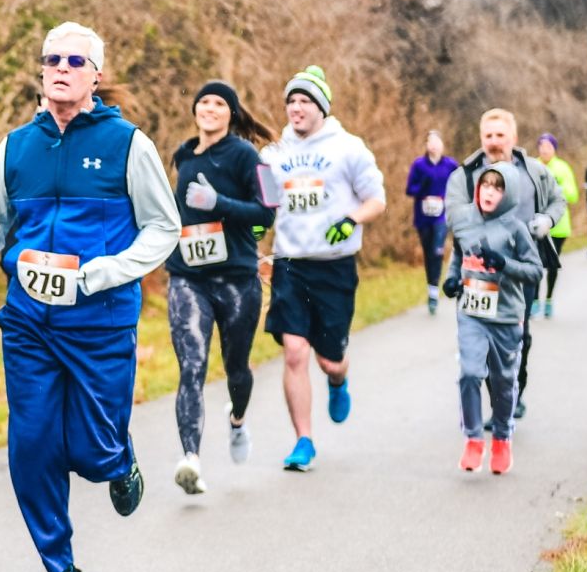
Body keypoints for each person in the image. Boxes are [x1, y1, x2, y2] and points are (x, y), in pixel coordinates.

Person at [0, 22, 179, 572]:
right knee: (32, 442)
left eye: (76, 60)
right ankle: (61, 570)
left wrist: (102, 272)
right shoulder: (16, 146)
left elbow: (163, 228)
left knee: (90, 449)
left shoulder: (130, 143)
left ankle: (118, 460)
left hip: (100, 321)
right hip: (28, 321)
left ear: (96, 75)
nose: (62, 68)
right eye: (52, 58)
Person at [260, 65, 387, 473]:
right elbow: (265, 204)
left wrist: (351, 219)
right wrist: (256, 230)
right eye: (291, 102)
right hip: (290, 264)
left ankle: (337, 378)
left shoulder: (349, 148)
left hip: (334, 268)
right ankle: (303, 440)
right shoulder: (273, 154)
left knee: (329, 359)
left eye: (304, 101)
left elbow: (377, 200)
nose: (295, 109)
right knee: (295, 352)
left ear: (321, 107)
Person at [166, 80, 277, 489]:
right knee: (191, 366)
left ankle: (238, 420)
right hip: (188, 276)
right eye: (204, 102)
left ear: (231, 114)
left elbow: (268, 213)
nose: (210, 108)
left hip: (236, 278)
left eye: (219, 103)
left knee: (236, 369)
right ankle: (190, 458)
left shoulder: (248, 156)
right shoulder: (182, 155)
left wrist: (219, 204)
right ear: (194, 109)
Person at [447, 110, 565, 420]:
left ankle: (514, 390)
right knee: (482, 334)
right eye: (488, 136)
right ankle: (496, 397)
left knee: (518, 334)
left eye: (501, 135)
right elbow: (454, 214)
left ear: (513, 138)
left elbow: (558, 199)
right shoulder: (467, 174)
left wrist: (547, 219)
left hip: (520, 267)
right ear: (481, 138)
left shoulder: (535, 172)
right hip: (480, 271)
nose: (494, 142)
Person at [442, 165, 542, 475]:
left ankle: (501, 437)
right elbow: (458, 257)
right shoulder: (464, 221)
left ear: (507, 193)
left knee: (502, 383)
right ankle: (473, 439)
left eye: (497, 188)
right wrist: (452, 281)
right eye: (485, 185)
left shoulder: (516, 229)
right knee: (470, 374)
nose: (489, 192)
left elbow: (535, 270)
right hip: (472, 314)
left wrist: (505, 264)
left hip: (507, 317)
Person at [406, 129, 459, 313]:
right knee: (429, 254)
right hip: (423, 217)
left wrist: (450, 200)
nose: (434, 145)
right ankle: (432, 289)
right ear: (426, 145)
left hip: (442, 216)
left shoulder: (450, 165)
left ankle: (435, 292)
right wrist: (423, 186)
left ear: (442, 144)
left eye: (437, 141)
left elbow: (461, 184)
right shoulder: (419, 165)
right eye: (430, 141)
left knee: (437, 251)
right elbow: (410, 190)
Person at [536, 133, 577, 316]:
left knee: (552, 266)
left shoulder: (562, 168)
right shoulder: (532, 166)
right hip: (536, 224)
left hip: (558, 227)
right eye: (541, 146)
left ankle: (549, 298)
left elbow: (573, 195)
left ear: (554, 149)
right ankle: (535, 300)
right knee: (536, 264)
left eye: (548, 146)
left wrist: (555, 189)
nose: (544, 150)